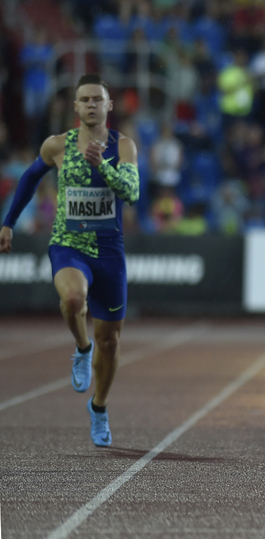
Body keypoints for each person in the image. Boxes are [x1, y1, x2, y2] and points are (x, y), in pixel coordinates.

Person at [0, 74, 140, 447]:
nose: (92, 104)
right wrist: (9, 223)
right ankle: (81, 348)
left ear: (109, 106)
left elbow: (133, 193)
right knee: (73, 300)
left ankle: (99, 407)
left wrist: (103, 166)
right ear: (75, 107)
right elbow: (30, 179)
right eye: (85, 99)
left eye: (98, 99)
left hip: (109, 251)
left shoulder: (123, 147)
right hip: (68, 245)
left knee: (110, 340)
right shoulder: (56, 145)